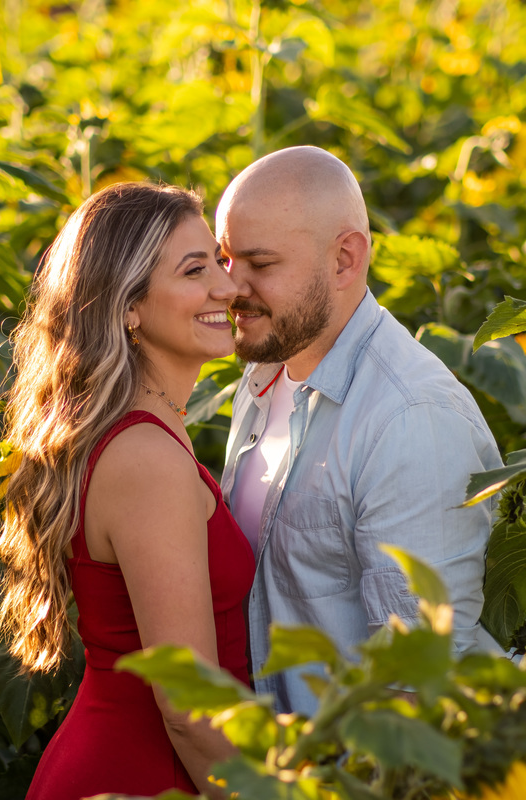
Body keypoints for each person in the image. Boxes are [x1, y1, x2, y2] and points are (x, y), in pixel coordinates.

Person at [215, 146, 504, 716]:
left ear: (345, 259)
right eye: (224, 259)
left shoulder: (412, 420)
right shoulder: (265, 373)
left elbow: (416, 679)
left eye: (260, 264)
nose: (229, 287)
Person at [0, 182, 252, 799]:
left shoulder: (142, 436)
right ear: (128, 306)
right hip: (146, 777)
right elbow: (187, 706)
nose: (228, 287)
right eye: (196, 270)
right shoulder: (146, 459)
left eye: (220, 260)